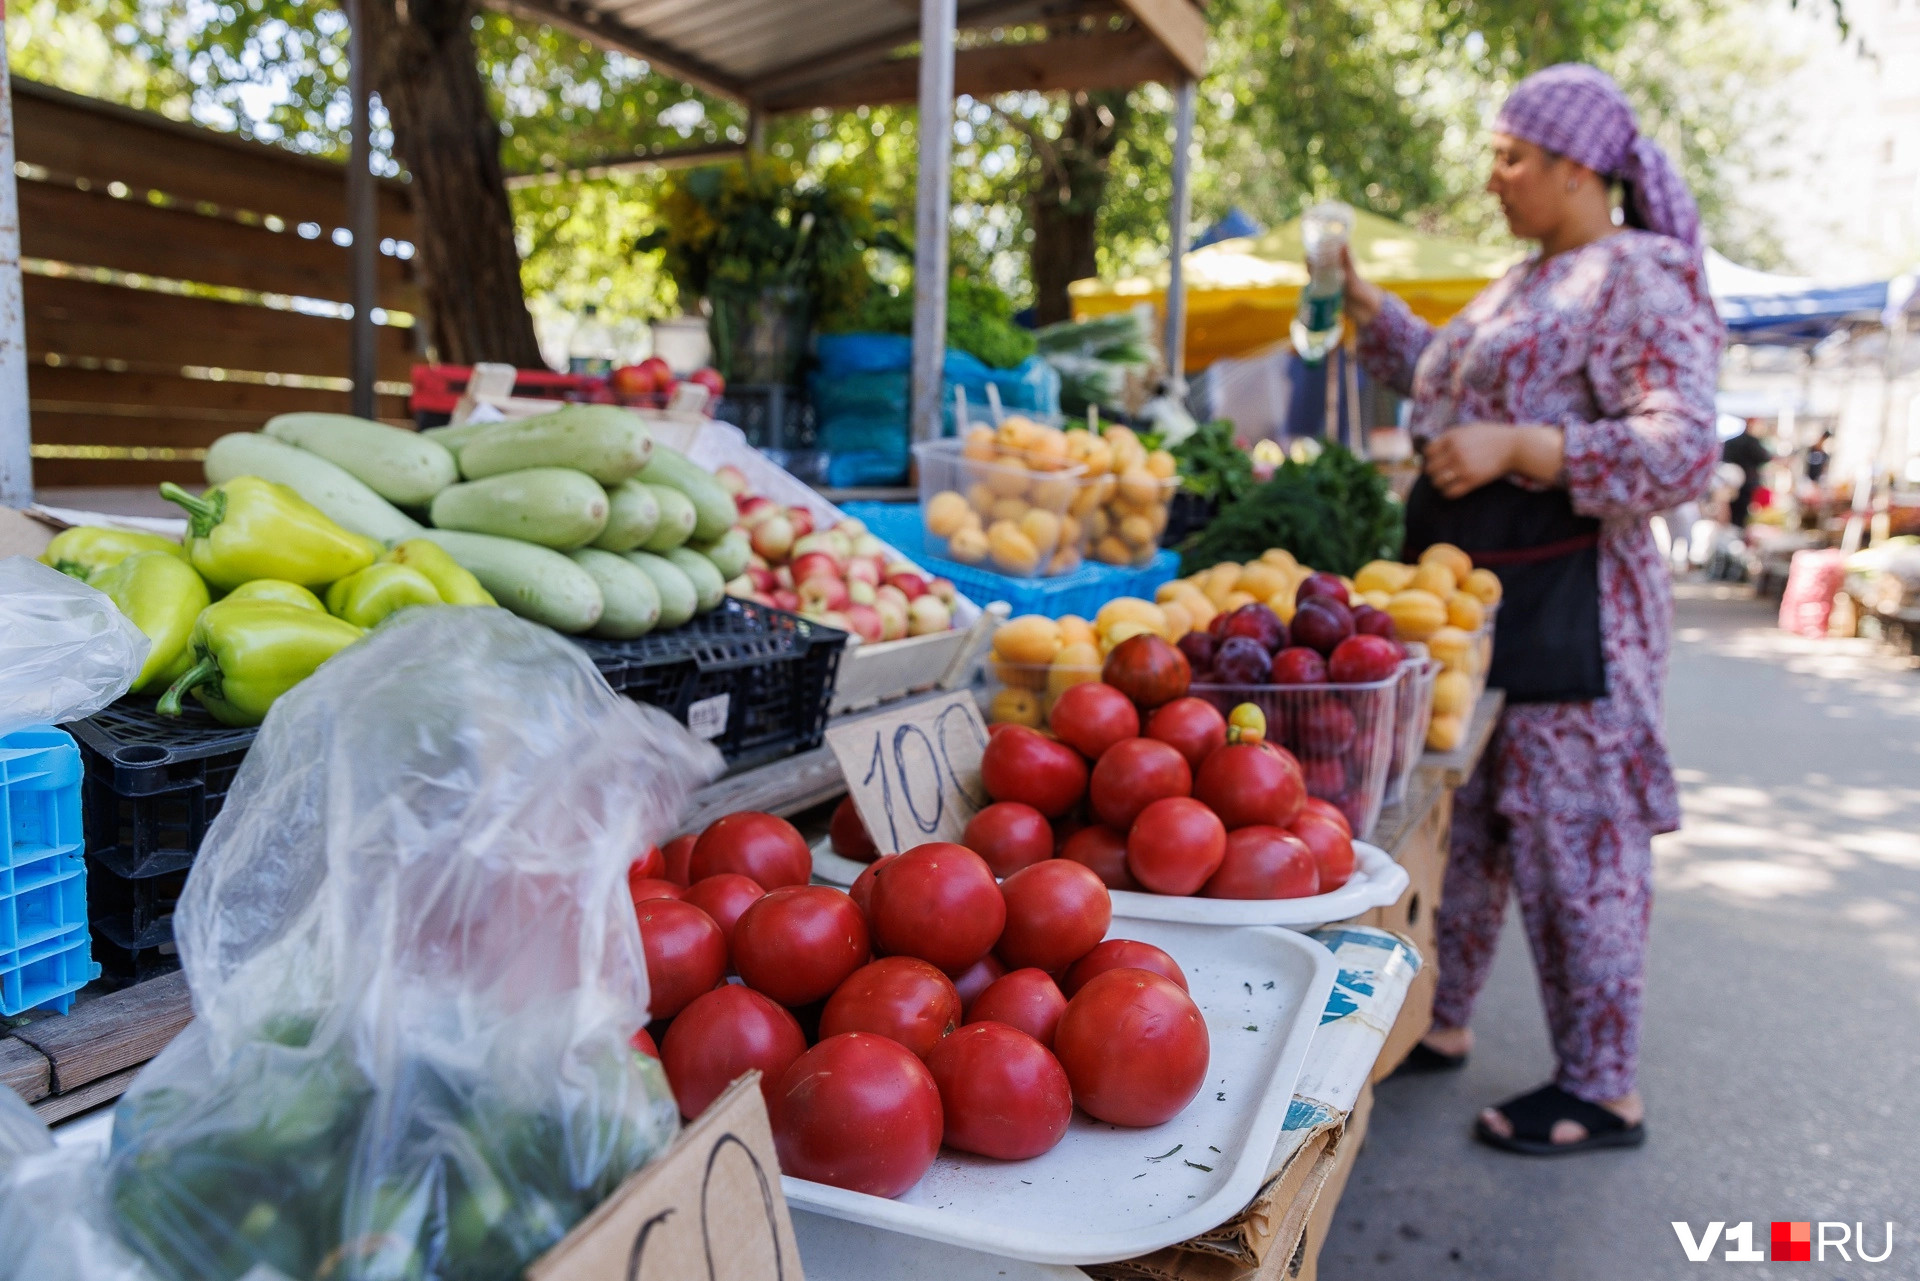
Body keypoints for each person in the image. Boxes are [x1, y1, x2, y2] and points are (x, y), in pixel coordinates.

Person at [1341, 64, 1722, 1155]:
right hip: (1491, 614)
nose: (1495, 176)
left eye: (1513, 156)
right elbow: (1449, 385)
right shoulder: (1529, 281)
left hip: (1577, 618)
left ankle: (1603, 1091)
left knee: (1577, 847)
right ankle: (1439, 1019)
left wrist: (1525, 449)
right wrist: (1374, 312)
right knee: (1470, 838)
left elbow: (1683, 446)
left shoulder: (1639, 275)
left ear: (1578, 168)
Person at [1722, 419, 1772, 528]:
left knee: (1731, 509)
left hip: (1731, 483)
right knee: (1741, 512)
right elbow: (1765, 457)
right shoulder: (1752, 441)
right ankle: (1738, 529)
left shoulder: (1731, 441)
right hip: (1747, 483)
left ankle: (1733, 529)